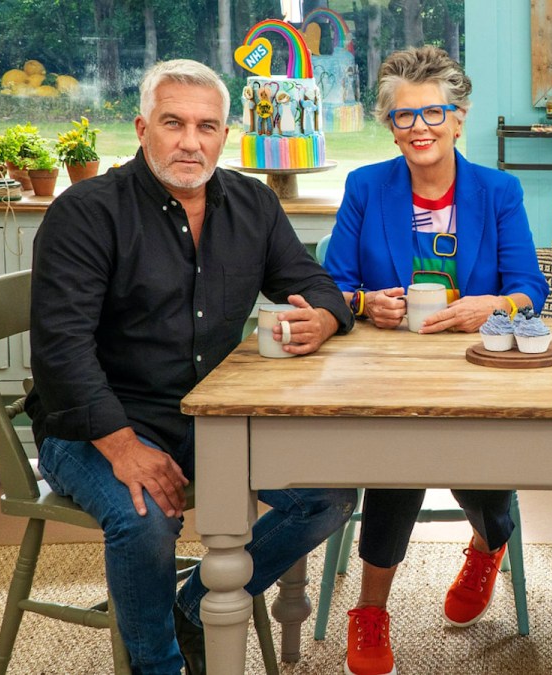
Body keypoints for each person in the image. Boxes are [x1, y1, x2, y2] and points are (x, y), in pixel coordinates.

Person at [26, 59, 359, 675]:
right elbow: (59, 350)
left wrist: (326, 316)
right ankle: (160, 667)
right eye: (173, 122)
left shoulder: (251, 203)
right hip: (97, 424)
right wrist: (123, 447)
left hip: (212, 415)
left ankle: (195, 605)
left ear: (225, 137)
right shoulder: (86, 211)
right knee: (145, 518)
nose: (190, 141)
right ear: (141, 127)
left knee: (329, 493)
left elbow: (312, 281)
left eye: (207, 127)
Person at [323, 45, 549, 675]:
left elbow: (532, 287)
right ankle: (370, 610)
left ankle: (486, 543)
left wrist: (492, 306)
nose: (419, 128)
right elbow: (331, 285)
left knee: (481, 452)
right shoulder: (366, 187)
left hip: (479, 370)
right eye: (404, 117)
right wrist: (368, 303)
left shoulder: (498, 190)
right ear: (388, 125)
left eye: (433, 113)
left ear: (458, 117)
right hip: (391, 376)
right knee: (399, 454)